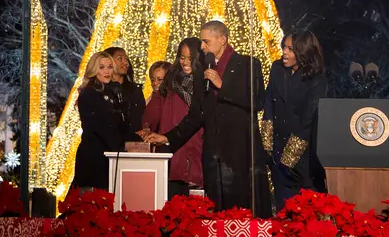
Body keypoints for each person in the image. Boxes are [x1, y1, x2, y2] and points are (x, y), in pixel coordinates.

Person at [144, 21, 271, 216]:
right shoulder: (202, 71)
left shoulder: (248, 64)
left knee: (243, 213)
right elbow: (196, 116)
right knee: (215, 214)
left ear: (222, 40)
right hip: (213, 157)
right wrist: (168, 137)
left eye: (205, 41)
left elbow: (258, 101)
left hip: (241, 154)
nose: (201, 46)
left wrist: (223, 85)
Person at [260, 31, 327, 210]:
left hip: (303, 158)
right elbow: (268, 104)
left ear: (303, 51)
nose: (284, 52)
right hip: (277, 152)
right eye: (284, 47)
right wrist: (267, 146)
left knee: (305, 214)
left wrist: (288, 159)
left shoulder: (316, 80)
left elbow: (307, 121)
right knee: (283, 211)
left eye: (290, 49)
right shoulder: (277, 69)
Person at [142, 38, 204, 199]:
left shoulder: (205, 82)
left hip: (197, 144)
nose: (185, 62)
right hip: (172, 145)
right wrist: (147, 126)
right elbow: (155, 108)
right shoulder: (170, 81)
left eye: (191, 58)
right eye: (182, 57)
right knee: (173, 200)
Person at [71, 51, 127, 191]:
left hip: (107, 156)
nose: (107, 71)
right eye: (101, 67)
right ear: (94, 70)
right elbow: (101, 127)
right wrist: (121, 147)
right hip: (93, 158)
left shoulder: (109, 93)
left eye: (109, 67)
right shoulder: (90, 94)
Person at [104, 47, 147, 142]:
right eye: (120, 59)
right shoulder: (101, 90)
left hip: (133, 145)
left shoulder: (135, 90)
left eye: (126, 59)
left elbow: (142, 117)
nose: (126, 63)